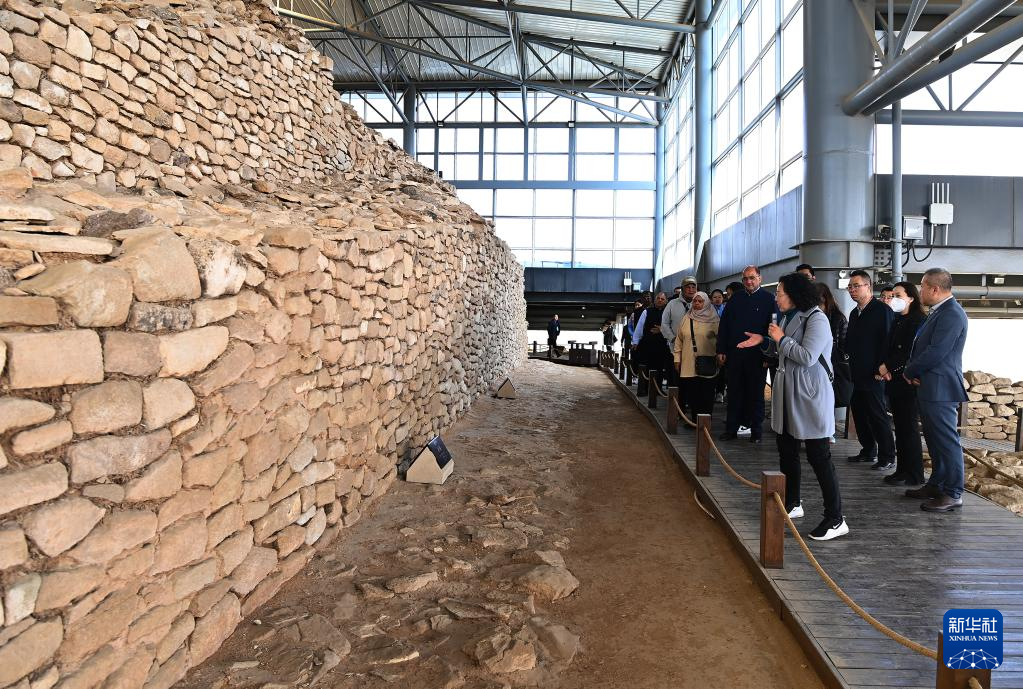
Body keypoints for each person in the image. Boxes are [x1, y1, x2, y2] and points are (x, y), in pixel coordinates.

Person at [738, 272, 847, 541]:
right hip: (788, 393)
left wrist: (780, 339)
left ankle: (835, 518)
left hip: (810, 395)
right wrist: (764, 341)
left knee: (818, 456)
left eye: (780, 293)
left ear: (795, 294)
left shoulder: (817, 318)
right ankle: (793, 502)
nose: (776, 297)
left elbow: (807, 356)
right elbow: (783, 351)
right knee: (786, 450)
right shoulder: (789, 317)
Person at [904, 268, 969, 512]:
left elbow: (937, 351)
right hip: (930, 384)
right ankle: (937, 484)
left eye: (922, 286)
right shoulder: (940, 311)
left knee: (947, 441)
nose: (919, 290)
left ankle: (953, 492)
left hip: (941, 387)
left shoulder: (952, 313)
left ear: (934, 289)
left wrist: (910, 371)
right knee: (933, 439)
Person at [716, 266, 775, 443]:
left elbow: (773, 329)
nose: (749, 281)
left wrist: (768, 356)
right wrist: (721, 349)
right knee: (734, 393)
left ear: (760, 278)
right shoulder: (735, 298)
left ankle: (756, 432)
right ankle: (731, 429)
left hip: (758, 357)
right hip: (734, 355)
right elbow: (724, 326)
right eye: (745, 279)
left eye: (752, 278)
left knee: (756, 395)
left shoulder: (769, 299)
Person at [877, 281, 927, 487]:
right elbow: (888, 346)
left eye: (898, 295)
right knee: (900, 427)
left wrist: (888, 366)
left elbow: (908, 351)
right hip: (894, 379)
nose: (893, 299)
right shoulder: (898, 319)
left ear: (911, 298)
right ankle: (902, 470)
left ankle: (914, 474)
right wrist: (885, 367)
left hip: (907, 380)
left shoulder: (918, 320)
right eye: (892, 296)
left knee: (909, 428)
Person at [845, 270, 896, 469]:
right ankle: (868, 450)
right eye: (850, 286)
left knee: (877, 415)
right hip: (856, 372)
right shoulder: (854, 313)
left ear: (869, 286)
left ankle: (887, 456)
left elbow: (888, 341)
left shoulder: (882, 310)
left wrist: (883, 367)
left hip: (875, 373)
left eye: (856, 286)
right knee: (859, 413)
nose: (852, 290)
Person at [673, 291, 720, 417]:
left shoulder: (715, 320)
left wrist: (721, 354)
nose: (697, 303)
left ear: (707, 302)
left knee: (707, 394)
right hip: (689, 362)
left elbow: (721, 339)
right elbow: (679, 340)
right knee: (693, 394)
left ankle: (706, 421)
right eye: (695, 301)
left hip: (708, 362)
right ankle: (694, 421)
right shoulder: (686, 318)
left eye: (700, 301)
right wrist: (677, 359)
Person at [817, 283, 853, 411]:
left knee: (827, 407)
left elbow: (844, 347)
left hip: (832, 368)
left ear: (825, 299)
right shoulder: (811, 317)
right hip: (816, 368)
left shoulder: (838, 318)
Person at [662, 276, 698, 392]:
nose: (691, 290)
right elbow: (664, 323)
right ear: (682, 289)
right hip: (676, 348)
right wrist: (672, 338)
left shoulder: (700, 303)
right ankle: (677, 401)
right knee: (677, 378)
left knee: (693, 378)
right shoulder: (672, 304)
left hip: (695, 349)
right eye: (688, 287)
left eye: (693, 287)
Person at [632, 292, 670, 396]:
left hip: (661, 344)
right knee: (646, 366)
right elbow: (639, 327)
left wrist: (661, 330)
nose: (660, 300)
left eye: (662, 299)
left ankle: (657, 389)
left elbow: (671, 327)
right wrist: (635, 341)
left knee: (659, 367)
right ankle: (643, 389)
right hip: (647, 344)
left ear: (666, 301)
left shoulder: (668, 313)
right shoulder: (647, 311)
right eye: (658, 298)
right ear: (655, 299)